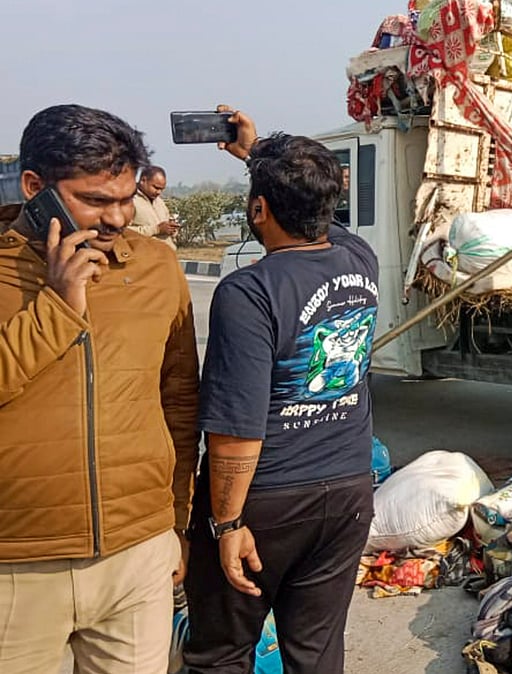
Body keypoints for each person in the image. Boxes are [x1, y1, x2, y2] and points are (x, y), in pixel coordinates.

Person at [0, 105, 199, 672]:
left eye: (126, 198)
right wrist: (59, 306)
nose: (116, 218)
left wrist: (175, 525)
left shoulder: (156, 266)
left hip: (138, 555)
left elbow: (180, 401)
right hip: (15, 563)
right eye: (94, 200)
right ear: (35, 188)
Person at [184, 107, 379, 673]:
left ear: (259, 210)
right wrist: (258, 159)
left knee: (221, 654)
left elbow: (236, 426)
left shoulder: (248, 291)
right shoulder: (359, 260)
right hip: (347, 491)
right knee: (316, 653)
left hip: (268, 499)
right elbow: (318, 217)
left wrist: (226, 524)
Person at [130, 164, 180, 249]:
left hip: (167, 253)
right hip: (144, 255)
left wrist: (172, 230)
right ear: (143, 180)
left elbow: (167, 225)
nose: (159, 192)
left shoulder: (159, 202)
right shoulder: (129, 201)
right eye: (156, 188)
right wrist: (156, 229)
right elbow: (123, 232)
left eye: (161, 189)